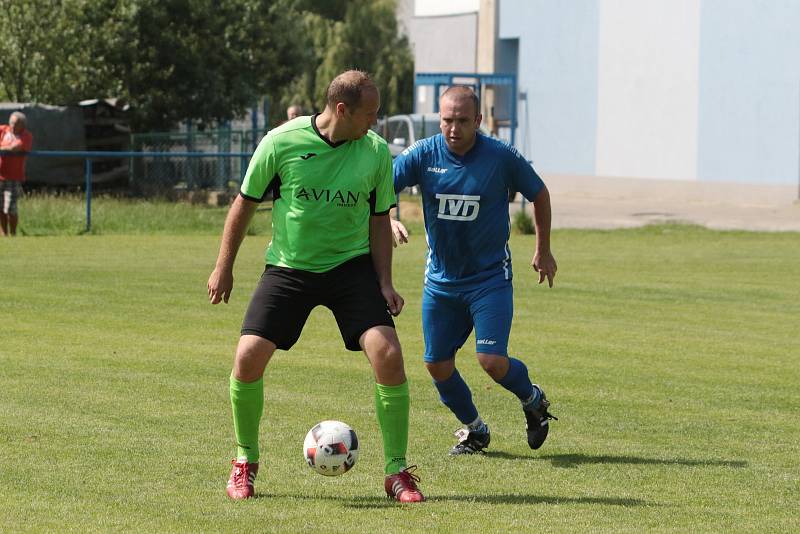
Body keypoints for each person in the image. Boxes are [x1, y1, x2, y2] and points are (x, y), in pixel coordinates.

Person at [208, 70, 424, 502]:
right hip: (290, 269)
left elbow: (380, 219)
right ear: (341, 109)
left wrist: (384, 281)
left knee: (389, 354)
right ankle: (243, 462)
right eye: (370, 113)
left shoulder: (376, 151)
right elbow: (244, 205)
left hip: (351, 268)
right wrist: (223, 267)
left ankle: (397, 472)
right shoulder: (280, 142)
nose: (376, 122)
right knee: (248, 356)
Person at [391, 86, 558, 455]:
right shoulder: (423, 154)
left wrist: (542, 249)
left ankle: (532, 400)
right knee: (436, 365)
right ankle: (476, 430)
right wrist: (388, 217)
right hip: (441, 283)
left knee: (492, 361)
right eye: (448, 120)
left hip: (489, 280)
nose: (454, 128)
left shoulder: (499, 156)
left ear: (478, 121)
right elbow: (382, 186)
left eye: (463, 121)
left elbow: (539, 193)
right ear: (439, 119)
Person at [0, 112, 33, 237]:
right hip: (0, 176)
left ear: (23, 125)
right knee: (0, 207)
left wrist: (2, 147)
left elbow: (15, 148)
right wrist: (5, 146)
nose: (13, 126)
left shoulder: (26, 136)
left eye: (17, 124)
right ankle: (4, 234)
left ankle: (13, 234)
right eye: (12, 123)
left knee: (10, 208)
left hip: (14, 178)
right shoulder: (3, 130)